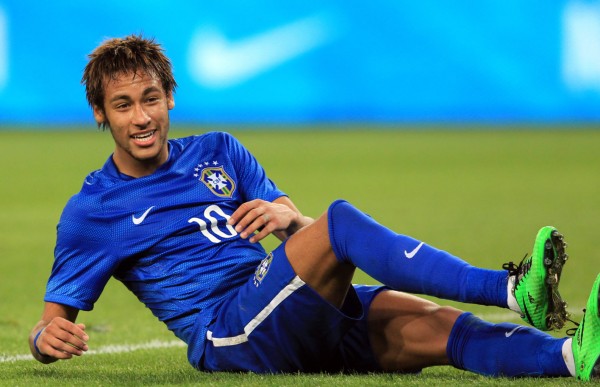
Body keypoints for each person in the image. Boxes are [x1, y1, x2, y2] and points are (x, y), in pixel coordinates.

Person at [28, 34, 599, 381]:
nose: (142, 117)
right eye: (123, 105)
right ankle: (511, 288)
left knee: (438, 327)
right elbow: (53, 325)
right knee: (342, 220)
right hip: (229, 334)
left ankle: (576, 357)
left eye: (151, 98)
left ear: (170, 97)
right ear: (101, 115)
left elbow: (303, 241)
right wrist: (43, 342)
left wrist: (287, 219)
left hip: (285, 303)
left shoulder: (218, 150)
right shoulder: (94, 210)